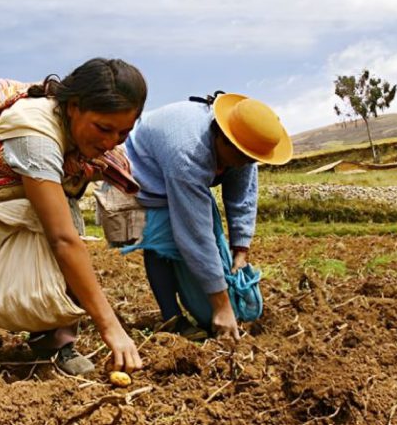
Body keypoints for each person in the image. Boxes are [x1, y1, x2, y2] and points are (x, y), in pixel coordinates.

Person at [0, 58, 147, 387]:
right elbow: (62, 240)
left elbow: (62, 228)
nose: (111, 142)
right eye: (104, 128)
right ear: (73, 107)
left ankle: (55, 343)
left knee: (69, 220)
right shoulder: (34, 132)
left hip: (11, 190)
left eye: (123, 132)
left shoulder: (85, 144)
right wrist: (110, 326)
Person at [123, 92, 292, 340]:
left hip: (176, 167)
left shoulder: (243, 146)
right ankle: (172, 319)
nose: (246, 164)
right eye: (242, 158)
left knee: (209, 252)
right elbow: (196, 235)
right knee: (160, 242)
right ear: (222, 139)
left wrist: (241, 249)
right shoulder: (188, 154)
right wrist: (221, 307)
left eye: (251, 160)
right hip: (142, 170)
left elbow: (242, 196)